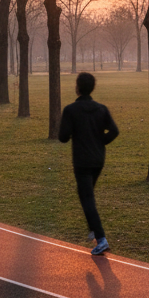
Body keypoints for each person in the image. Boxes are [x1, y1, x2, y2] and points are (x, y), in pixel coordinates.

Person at [58, 72, 119, 256]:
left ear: (77, 88)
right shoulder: (102, 109)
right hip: (98, 160)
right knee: (86, 195)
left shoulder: (71, 110)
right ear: (92, 88)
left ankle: (100, 238)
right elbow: (114, 131)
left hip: (82, 162)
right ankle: (93, 228)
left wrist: (72, 132)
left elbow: (62, 137)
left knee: (87, 199)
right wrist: (100, 141)